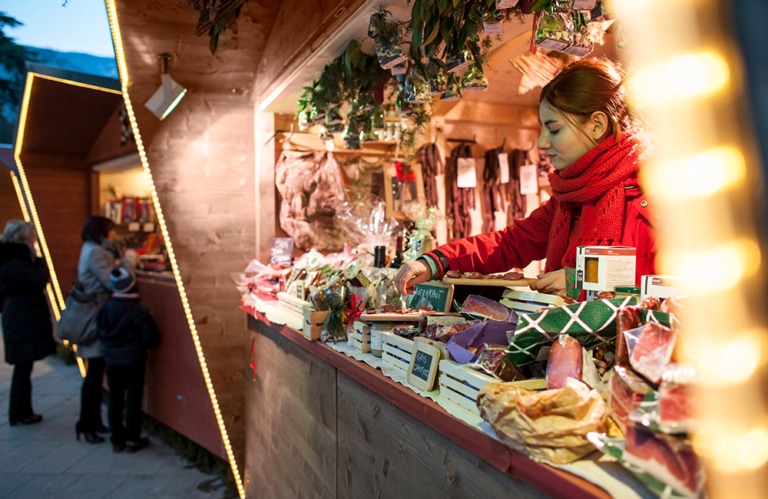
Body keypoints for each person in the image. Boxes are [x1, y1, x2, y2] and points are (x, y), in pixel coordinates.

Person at [394, 58, 657, 299]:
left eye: (553, 129)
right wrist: (436, 261)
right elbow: (510, 244)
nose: (542, 142)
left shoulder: (656, 194)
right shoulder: (567, 200)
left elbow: (680, 287)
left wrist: (583, 281)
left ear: (597, 125)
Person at [97, 262, 159, 453]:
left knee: (115, 399)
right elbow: (152, 338)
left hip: (112, 360)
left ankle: (117, 439)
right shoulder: (139, 312)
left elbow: (100, 332)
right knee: (134, 399)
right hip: (134, 360)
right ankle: (133, 437)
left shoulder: (105, 309)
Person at [0, 220, 56, 426]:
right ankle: (19, 413)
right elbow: (38, 280)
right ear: (23, 238)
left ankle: (23, 411)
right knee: (23, 367)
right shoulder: (16, 262)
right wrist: (40, 262)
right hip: (22, 316)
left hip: (19, 314)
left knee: (24, 366)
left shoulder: (11, 259)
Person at [74, 215, 118, 444]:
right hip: (95, 318)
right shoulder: (96, 252)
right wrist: (127, 260)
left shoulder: (90, 248)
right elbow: (113, 281)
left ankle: (93, 422)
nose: (114, 235)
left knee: (95, 373)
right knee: (93, 375)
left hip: (92, 315)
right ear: (102, 232)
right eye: (111, 231)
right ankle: (86, 424)